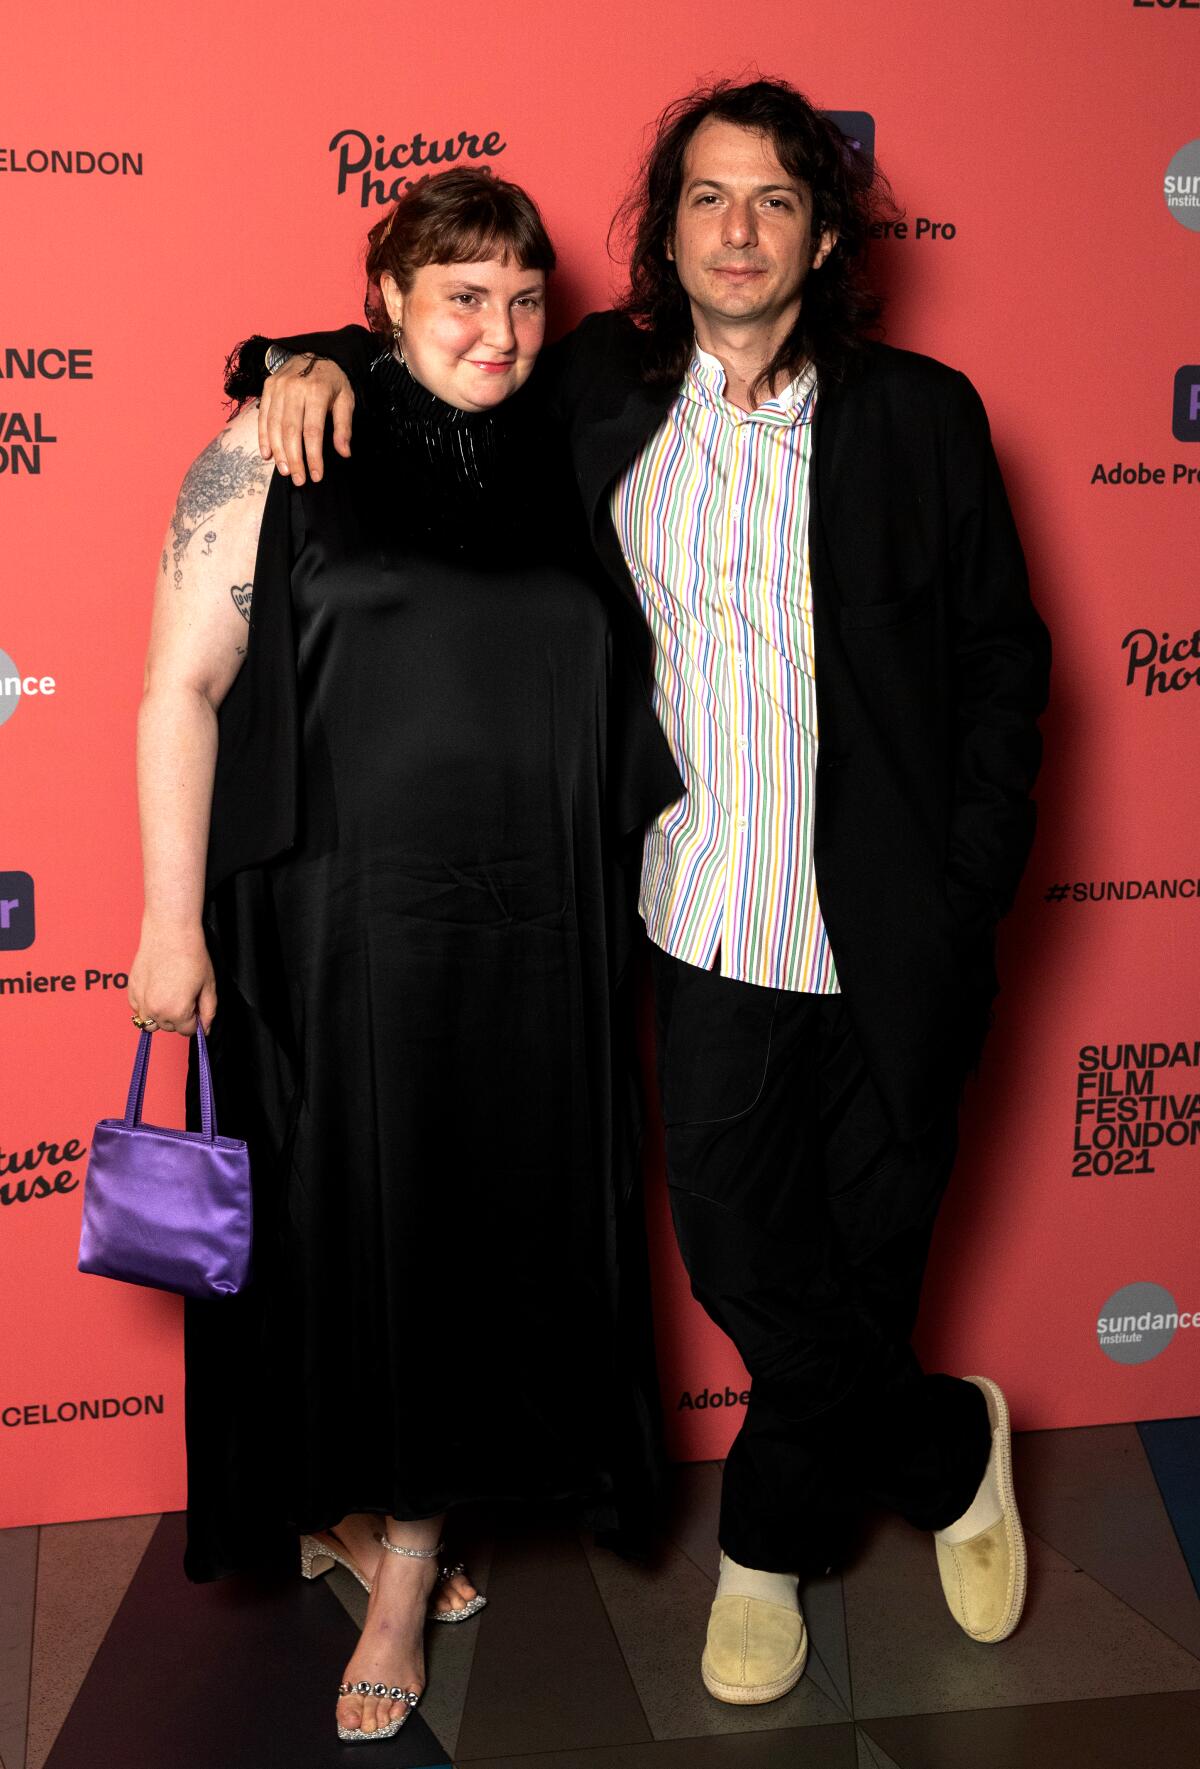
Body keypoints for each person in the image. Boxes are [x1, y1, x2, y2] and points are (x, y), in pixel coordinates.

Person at [233, 76, 1051, 1707]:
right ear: (665, 231)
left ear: (825, 231)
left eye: (772, 199)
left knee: (870, 1261)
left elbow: (1004, 678)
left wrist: (963, 896)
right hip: (698, 920)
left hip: (893, 936)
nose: (738, 229)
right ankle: (951, 1438)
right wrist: (285, 362)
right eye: (705, 198)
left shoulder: (925, 416)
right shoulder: (596, 387)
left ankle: (761, 1547)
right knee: (749, 1264)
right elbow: (428, 359)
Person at [129, 167, 682, 1743]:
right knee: (323, 1221)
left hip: (533, 938)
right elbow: (179, 689)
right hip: (316, 921)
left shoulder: (575, 451)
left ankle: (409, 1551)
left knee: (471, 1233)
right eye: (460, 296)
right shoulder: (281, 439)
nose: (499, 329)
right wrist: (172, 918)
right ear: (384, 305)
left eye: (523, 298)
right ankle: (348, 1502)